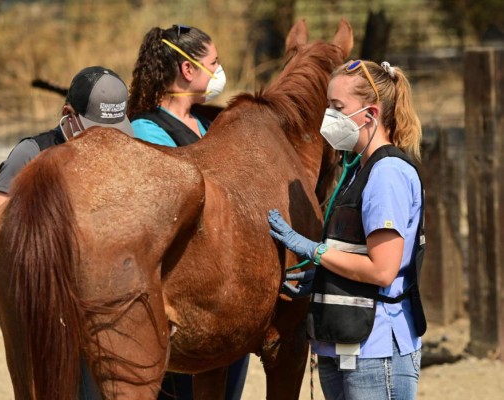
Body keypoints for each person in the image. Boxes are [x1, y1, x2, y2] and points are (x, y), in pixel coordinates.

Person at [268, 59, 426, 400]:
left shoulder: (386, 174)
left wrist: (315, 251)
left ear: (369, 115)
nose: (329, 116)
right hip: (342, 344)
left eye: (337, 107)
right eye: (328, 105)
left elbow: (382, 270)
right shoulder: (357, 168)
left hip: (375, 350)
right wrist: (322, 280)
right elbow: (355, 251)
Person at [128, 24, 248, 400]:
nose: (220, 71)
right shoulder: (148, 132)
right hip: (179, 303)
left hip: (222, 296)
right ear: (188, 70)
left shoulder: (208, 125)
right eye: (214, 62)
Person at [0, 66, 134, 255]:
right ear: (67, 113)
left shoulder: (122, 157)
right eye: (96, 130)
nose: (105, 139)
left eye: (115, 131)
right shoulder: (30, 154)